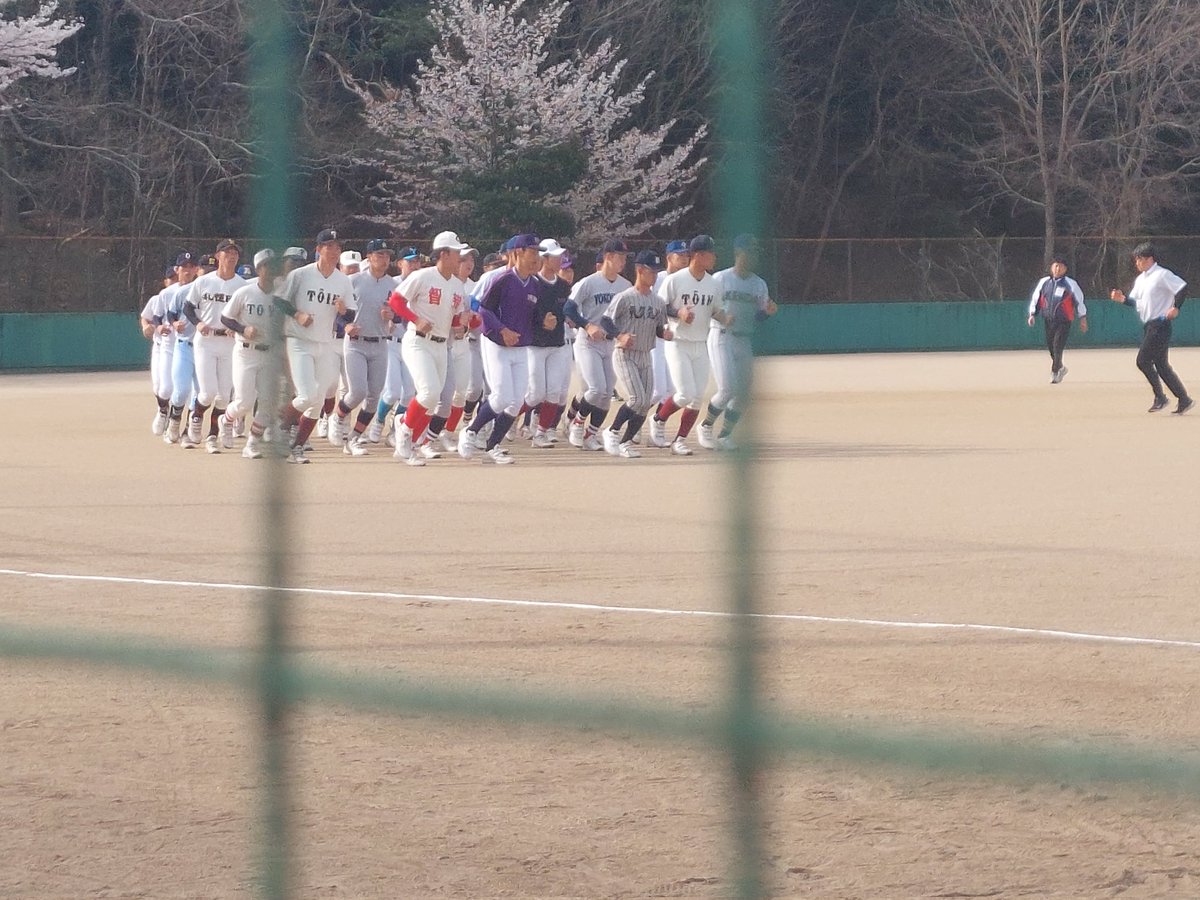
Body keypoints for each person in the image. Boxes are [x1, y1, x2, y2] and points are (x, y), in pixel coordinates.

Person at [458, 234, 546, 464]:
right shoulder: (503, 279)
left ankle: (492, 446)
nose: (536, 258)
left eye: (538, 253)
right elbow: (484, 310)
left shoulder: (535, 284)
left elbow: (534, 316)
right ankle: (470, 431)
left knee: (516, 402)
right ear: (517, 253)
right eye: (532, 252)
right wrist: (502, 330)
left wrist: (544, 322)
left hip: (521, 347)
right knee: (500, 397)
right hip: (496, 343)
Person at [387, 231, 470, 466]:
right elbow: (396, 301)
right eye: (456, 253)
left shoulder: (457, 285)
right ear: (443, 254)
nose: (460, 258)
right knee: (429, 392)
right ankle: (404, 431)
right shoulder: (423, 276)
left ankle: (410, 440)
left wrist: (463, 323)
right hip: (418, 341)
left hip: (442, 345)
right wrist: (415, 319)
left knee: (432, 401)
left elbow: (454, 320)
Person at [276, 228, 356, 463]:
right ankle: (278, 432)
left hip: (325, 343)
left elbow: (350, 315)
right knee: (306, 396)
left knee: (318, 400)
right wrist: (297, 314)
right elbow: (279, 301)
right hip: (299, 341)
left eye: (337, 247)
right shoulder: (301, 275)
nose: (334, 251)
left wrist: (343, 311)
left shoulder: (343, 280)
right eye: (329, 246)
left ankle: (297, 447)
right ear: (319, 249)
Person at [649, 234, 730, 455]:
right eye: (711, 253)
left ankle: (680, 440)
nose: (714, 257)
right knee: (685, 393)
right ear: (699, 255)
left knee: (697, 398)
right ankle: (658, 419)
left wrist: (728, 318)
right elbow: (659, 306)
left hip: (701, 343)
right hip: (678, 342)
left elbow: (716, 310)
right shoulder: (675, 280)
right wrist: (679, 313)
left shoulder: (713, 284)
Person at [701, 234, 778, 449]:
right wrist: (722, 317)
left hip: (744, 339)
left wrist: (767, 313)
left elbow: (758, 316)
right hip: (721, 336)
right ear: (738, 253)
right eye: (749, 252)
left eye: (755, 253)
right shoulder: (720, 278)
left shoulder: (759, 284)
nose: (753, 256)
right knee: (727, 389)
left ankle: (725, 435)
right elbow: (707, 307)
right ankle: (705, 426)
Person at [599, 250, 674, 458]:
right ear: (640, 270)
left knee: (645, 402)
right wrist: (619, 335)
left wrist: (665, 334)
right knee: (636, 399)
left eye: (657, 272)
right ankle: (612, 431)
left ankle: (625, 442)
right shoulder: (624, 297)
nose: (655, 276)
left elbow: (658, 328)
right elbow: (606, 321)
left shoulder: (658, 302)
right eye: (652, 271)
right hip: (625, 354)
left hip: (645, 355)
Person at [563, 238, 632, 450]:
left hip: (611, 344)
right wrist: (587, 325)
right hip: (588, 342)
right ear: (608, 256)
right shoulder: (589, 282)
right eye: (620, 256)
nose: (623, 261)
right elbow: (569, 308)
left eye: (625, 257)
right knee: (595, 389)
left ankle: (590, 435)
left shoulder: (625, 286)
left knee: (607, 393)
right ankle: (577, 424)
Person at [1109, 242, 1193, 414]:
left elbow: (1182, 287)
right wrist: (1122, 299)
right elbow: (1138, 302)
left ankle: (1161, 397)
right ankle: (1184, 399)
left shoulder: (1161, 274)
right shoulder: (1141, 279)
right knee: (1161, 365)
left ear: (1150, 259)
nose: (1137, 263)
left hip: (1160, 324)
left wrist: (1176, 307)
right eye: (1136, 259)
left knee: (1142, 361)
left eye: (1139, 259)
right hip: (1149, 325)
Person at [184, 238, 248, 453]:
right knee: (208, 392)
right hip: (207, 341)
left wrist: (237, 327)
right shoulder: (204, 282)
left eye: (235, 253)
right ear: (218, 256)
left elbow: (245, 315)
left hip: (229, 343)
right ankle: (196, 416)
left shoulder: (242, 285)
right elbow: (188, 307)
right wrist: (198, 323)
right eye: (227, 252)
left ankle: (212, 436)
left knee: (224, 395)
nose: (232, 256)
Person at [336, 239, 395, 456]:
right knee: (358, 392)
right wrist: (345, 325)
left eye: (387, 255)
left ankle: (353, 438)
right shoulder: (353, 281)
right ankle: (338, 417)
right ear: (368, 257)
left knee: (374, 396)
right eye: (379, 255)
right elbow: (337, 310)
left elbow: (399, 316)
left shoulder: (393, 285)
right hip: (356, 343)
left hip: (380, 343)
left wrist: (392, 316)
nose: (384, 259)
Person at [219, 249, 280, 459]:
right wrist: (242, 329)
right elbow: (225, 318)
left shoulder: (281, 294)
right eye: (268, 265)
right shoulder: (245, 292)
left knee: (268, 402)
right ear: (259, 269)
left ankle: (252, 443)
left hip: (269, 354)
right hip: (246, 352)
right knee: (244, 401)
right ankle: (226, 420)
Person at [526, 238, 573, 448]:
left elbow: (567, 311)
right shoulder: (532, 283)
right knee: (535, 394)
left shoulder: (563, 286)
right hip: (535, 345)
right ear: (544, 259)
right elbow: (525, 313)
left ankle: (541, 433)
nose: (560, 259)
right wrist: (541, 322)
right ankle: (509, 418)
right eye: (556, 256)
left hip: (557, 344)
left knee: (554, 392)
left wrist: (570, 319)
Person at [1027, 255, 1087, 384]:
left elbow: (1079, 301)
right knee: (1051, 348)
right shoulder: (1044, 282)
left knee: (1057, 346)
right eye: (1055, 266)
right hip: (1048, 320)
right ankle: (1060, 367)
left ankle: (1054, 372)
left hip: (1064, 320)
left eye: (1061, 266)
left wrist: (1082, 318)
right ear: (1051, 267)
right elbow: (1036, 298)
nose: (1057, 269)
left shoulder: (1070, 284)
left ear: (1065, 269)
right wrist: (1032, 314)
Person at [162, 252, 202, 445]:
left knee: (200, 393)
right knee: (181, 391)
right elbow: (170, 314)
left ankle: (187, 431)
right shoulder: (180, 292)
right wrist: (174, 323)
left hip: (204, 348)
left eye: (191, 266)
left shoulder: (207, 290)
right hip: (184, 345)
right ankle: (174, 422)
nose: (188, 270)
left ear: (197, 269)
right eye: (184, 266)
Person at [140, 265, 177, 436]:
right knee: (158, 386)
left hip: (181, 347)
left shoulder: (188, 295)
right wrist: (146, 327)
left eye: (175, 277)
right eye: (171, 278)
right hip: (161, 347)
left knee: (175, 387)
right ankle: (163, 410)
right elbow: (145, 317)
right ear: (165, 281)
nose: (174, 281)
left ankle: (171, 417)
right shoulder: (158, 298)